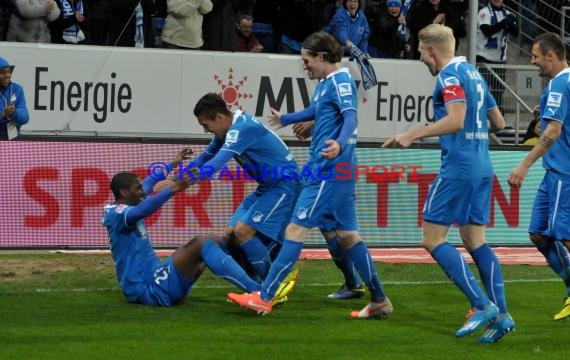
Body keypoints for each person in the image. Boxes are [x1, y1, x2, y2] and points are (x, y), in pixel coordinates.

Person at [228, 31, 391, 318]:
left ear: (321, 57)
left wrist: (338, 144)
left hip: (328, 169)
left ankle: (265, 296)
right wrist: (286, 119)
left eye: (307, 60)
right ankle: (378, 299)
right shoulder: (327, 83)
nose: (304, 66)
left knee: (295, 230)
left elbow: (351, 116)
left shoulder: (340, 81)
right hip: (335, 169)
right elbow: (317, 110)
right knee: (348, 236)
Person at [383, 24, 514, 343]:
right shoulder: (473, 73)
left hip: (458, 167)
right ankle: (503, 315)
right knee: (475, 239)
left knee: (432, 238)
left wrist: (411, 134)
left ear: (431, 49)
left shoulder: (449, 77)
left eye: (418, 48)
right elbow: (499, 123)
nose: (417, 55)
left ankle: (481, 304)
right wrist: (474, 132)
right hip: (483, 165)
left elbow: (456, 119)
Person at [102, 148, 262, 307]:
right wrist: (175, 187)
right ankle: (259, 293)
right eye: (138, 188)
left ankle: (255, 282)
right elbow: (144, 210)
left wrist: (174, 162)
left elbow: (151, 181)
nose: (142, 191)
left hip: (156, 276)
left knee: (214, 239)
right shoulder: (116, 214)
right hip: (146, 288)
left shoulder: (130, 201)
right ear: (123, 192)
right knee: (200, 243)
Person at [186, 93, 300, 289]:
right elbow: (204, 158)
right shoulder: (227, 131)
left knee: (242, 231)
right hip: (268, 187)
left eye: (206, 125)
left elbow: (216, 164)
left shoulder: (242, 128)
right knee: (229, 235)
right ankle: (258, 285)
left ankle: (271, 288)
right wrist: (172, 177)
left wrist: (182, 183)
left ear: (220, 118)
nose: (206, 131)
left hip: (285, 185)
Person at [507, 32, 570, 321]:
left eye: (535, 56)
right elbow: (551, 125)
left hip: (563, 172)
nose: (532, 61)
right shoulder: (561, 84)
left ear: (551, 55)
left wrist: (524, 165)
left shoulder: (559, 84)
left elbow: (553, 132)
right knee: (538, 234)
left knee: (565, 236)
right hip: (554, 172)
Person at [476, 0, 519, 113]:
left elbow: (515, 33)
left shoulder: (508, 14)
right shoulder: (484, 12)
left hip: (499, 61)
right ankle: (480, 116)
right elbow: (487, 31)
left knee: (498, 91)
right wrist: (505, 22)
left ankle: (498, 119)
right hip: (483, 58)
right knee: (482, 90)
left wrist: (512, 23)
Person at [0, 57, 29, 139]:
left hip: (13, 139)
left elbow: (25, 118)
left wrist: (14, 112)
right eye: (3, 72)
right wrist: (3, 114)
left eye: (9, 72)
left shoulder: (17, 89)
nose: (8, 75)